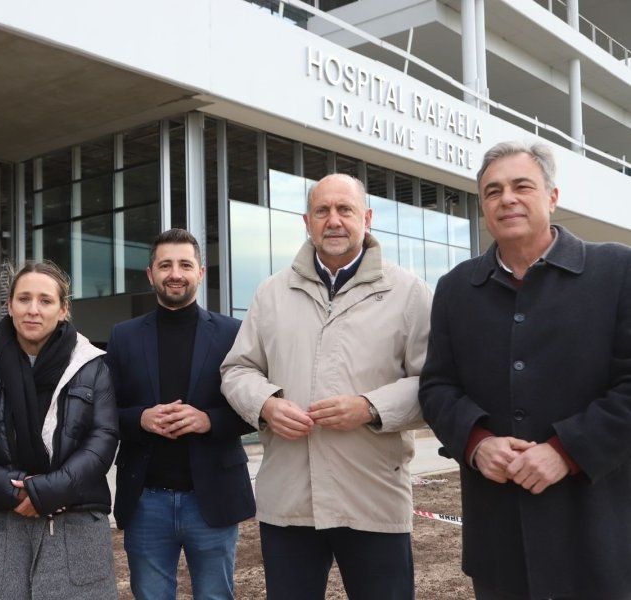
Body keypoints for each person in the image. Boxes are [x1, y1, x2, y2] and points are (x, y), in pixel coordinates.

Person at [419, 141, 631, 600]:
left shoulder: (617, 270)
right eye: (493, 191)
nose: (507, 199)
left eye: (522, 186)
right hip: (500, 535)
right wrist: (476, 444)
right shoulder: (456, 288)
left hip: (597, 531)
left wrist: (567, 450)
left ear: (552, 198)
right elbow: (437, 387)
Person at [221, 173, 432, 600]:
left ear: (367, 218)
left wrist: (370, 407)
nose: (333, 220)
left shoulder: (409, 293)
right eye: (322, 211)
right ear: (307, 220)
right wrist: (266, 404)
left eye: (345, 210)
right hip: (289, 500)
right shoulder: (271, 293)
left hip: (373, 496)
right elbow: (237, 370)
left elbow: (435, 384)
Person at [0, 260, 119, 600]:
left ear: (64, 309)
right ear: (9, 305)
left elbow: (103, 439)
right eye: (24, 299)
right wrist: (12, 491)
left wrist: (49, 491)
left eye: (45, 300)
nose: (33, 310)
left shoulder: (92, 364)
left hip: (73, 520)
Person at [106, 228, 255, 600]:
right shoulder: (123, 336)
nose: (176, 273)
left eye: (185, 264)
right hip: (145, 501)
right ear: (150, 273)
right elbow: (104, 411)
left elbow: (253, 408)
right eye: (166, 265)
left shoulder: (232, 333)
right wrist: (141, 419)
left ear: (200, 273)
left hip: (213, 498)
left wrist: (208, 420)